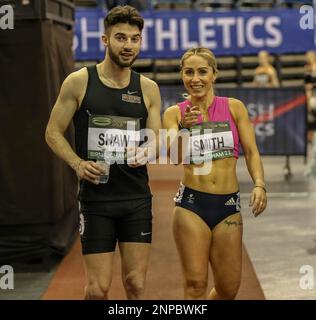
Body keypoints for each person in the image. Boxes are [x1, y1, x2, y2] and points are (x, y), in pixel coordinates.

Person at [45, 5, 161, 300]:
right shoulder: (79, 81)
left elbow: (157, 138)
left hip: (136, 198)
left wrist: (148, 149)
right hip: (96, 200)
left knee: (135, 284)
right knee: (98, 290)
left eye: (135, 39)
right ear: (105, 40)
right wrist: (77, 163)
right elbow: (52, 132)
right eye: (121, 38)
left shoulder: (148, 88)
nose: (129, 45)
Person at [163, 47, 267, 300]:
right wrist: (184, 129)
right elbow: (175, 157)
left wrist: (259, 184)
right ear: (182, 76)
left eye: (202, 71)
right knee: (196, 285)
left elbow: (252, 152)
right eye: (189, 72)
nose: (195, 78)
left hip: (228, 205)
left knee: (229, 288)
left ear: (214, 75)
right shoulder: (174, 113)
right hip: (191, 205)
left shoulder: (234, 108)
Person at [304, 50, 316, 176]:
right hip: (312, 102)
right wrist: (309, 101)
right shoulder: (307, 69)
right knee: (311, 133)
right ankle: (312, 165)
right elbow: (307, 88)